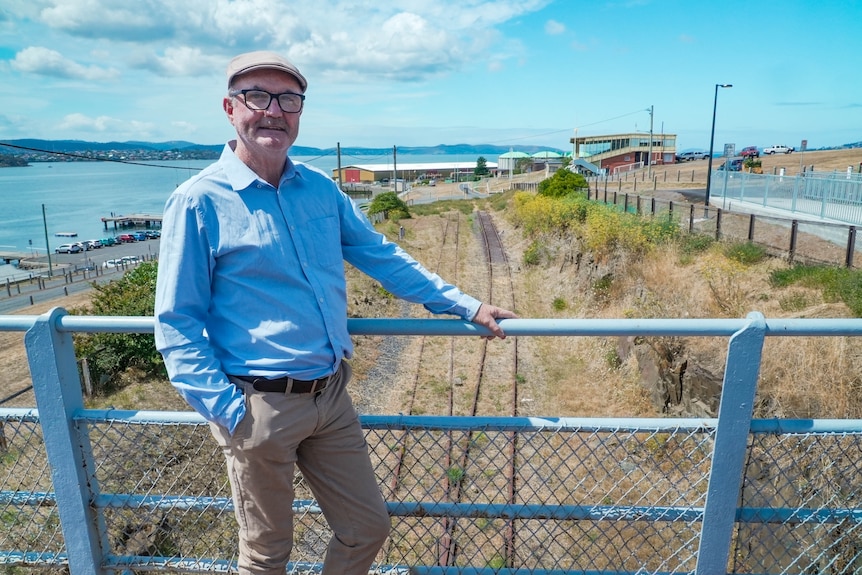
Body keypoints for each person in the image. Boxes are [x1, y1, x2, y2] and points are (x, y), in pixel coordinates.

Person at [153, 50, 517, 575]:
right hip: (257, 406)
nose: (273, 110)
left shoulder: (320, 190)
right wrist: (230, 413)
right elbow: (177, 320)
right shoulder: (197, 201)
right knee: (265, 555)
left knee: (366, 527)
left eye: (288, 99)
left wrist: (465, 305)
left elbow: (382, 256)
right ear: (229, 109)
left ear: (300, 111)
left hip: (330, 396)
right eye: (257, 96)